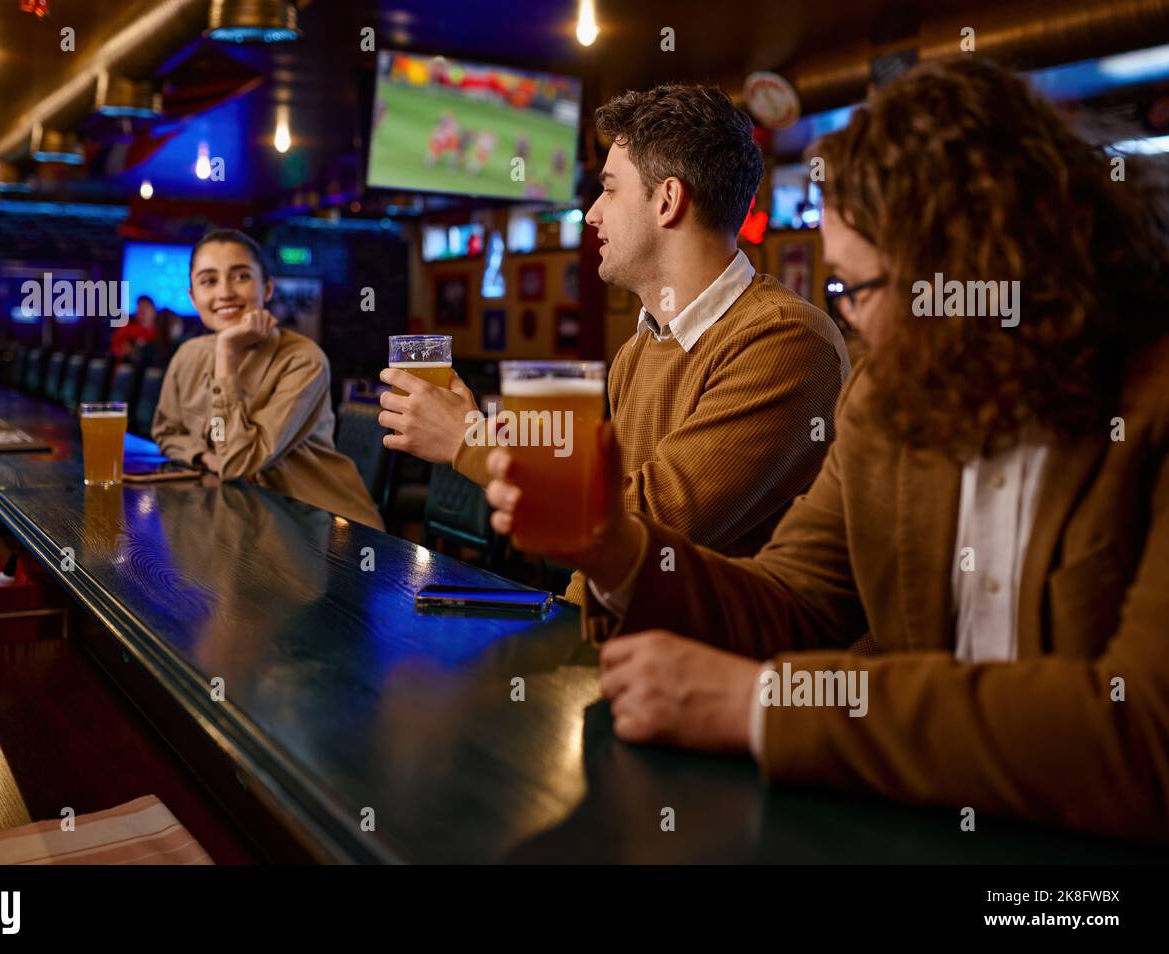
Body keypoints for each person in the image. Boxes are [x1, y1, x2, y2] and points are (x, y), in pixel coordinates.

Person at [483, 57, 1169, 841]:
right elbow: (798, 603)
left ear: (978, 271)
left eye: (860, 290)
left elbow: (1142, 736)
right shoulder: (891, 400)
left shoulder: (1149, 403)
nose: (855, 326)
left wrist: (766, 707)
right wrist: (620, 550)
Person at [379, 84, 849, 604]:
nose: (591, 214)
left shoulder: (785, 341)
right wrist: (565, 625)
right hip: (639, 651)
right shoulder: (640, 348)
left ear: (667, 201)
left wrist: (466, 441)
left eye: (609, 189)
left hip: (740, 676)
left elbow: (647, 521)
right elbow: (607, 529)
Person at [151, 229, 384, 530]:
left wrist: (227, 351)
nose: (225, 293)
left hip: (321, 530)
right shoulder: (187, 356)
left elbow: (236, 463)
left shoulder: (303, 359)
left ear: (268, 288)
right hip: (237, 518)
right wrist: (205, 458)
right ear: (193, 298)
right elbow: (167, 430)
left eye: (241, 277)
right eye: (209, 281)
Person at [110, 294, 159, 359]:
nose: (143, 311)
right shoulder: (126, 329)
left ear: (154, 311)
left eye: (146, 307)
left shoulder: (161, 331)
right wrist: (126, 351)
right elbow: (115, 350)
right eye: (140, 307)